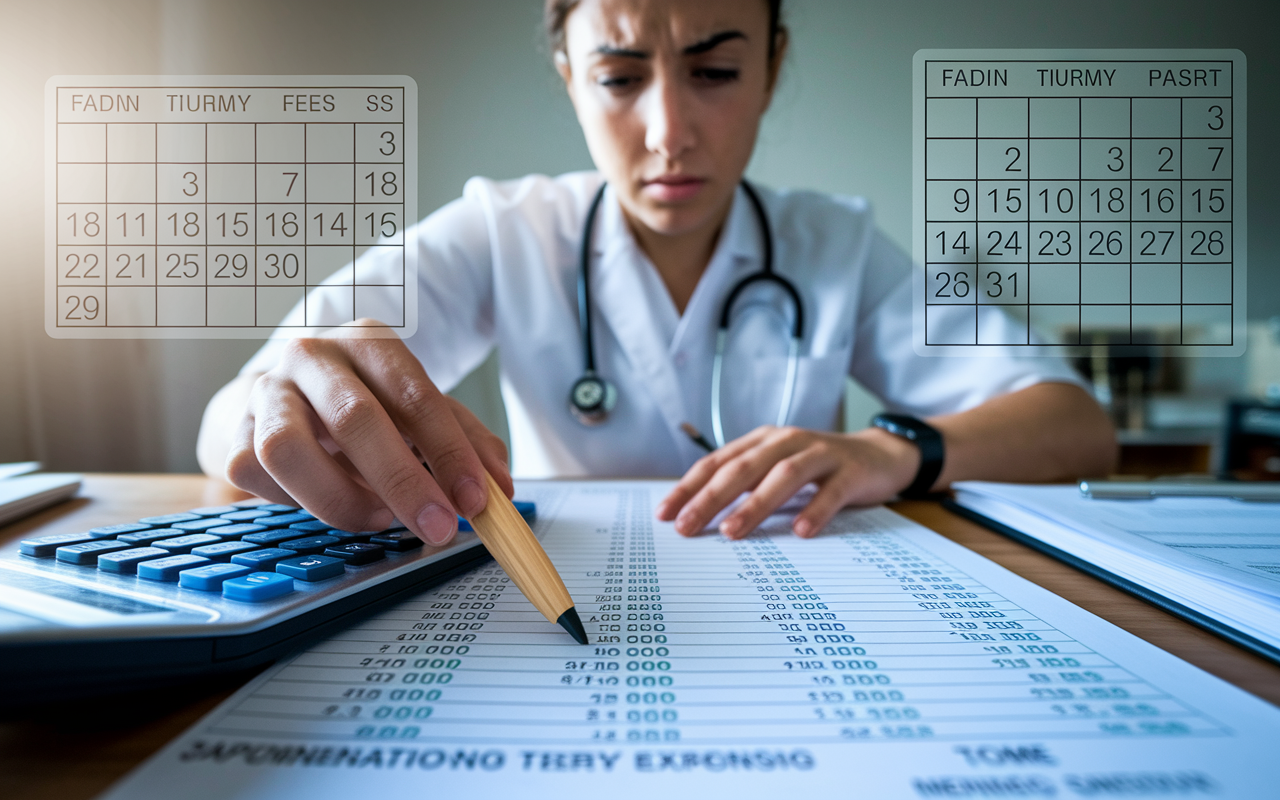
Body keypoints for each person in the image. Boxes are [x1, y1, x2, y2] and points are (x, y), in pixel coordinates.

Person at [197, 0, 1116, 549]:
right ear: (567, 75)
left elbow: (1074, 425)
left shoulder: (836, 243)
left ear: (773, 65)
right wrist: (270, 414)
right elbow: (248, 405)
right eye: (620, 79)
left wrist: (890, 450)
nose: (670, 132)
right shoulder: (502, 230)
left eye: (714, 70)